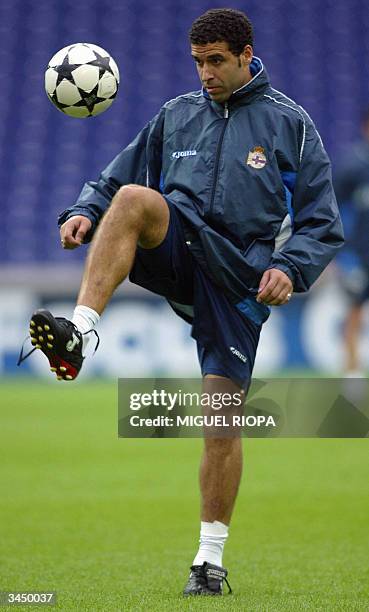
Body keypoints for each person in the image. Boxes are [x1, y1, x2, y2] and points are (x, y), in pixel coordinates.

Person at [20, 8, 344, 596]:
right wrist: (82, 211)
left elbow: (322, 222)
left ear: (247, 55)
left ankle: (209, 561)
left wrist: (289, 268)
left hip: (237, 280)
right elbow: (117, 176)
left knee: (221, 422)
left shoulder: (290, 125)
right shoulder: (177, 115)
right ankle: (82, 333)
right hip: (179, 242)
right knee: (136, 199)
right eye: (198, 61)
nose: (205, 73)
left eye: (216, 60)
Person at [334, 108, 369, 376]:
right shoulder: (354, 167)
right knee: (355, 309)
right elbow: (331, 207)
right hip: (361, 254)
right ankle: (352, 372)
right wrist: (343, 253)